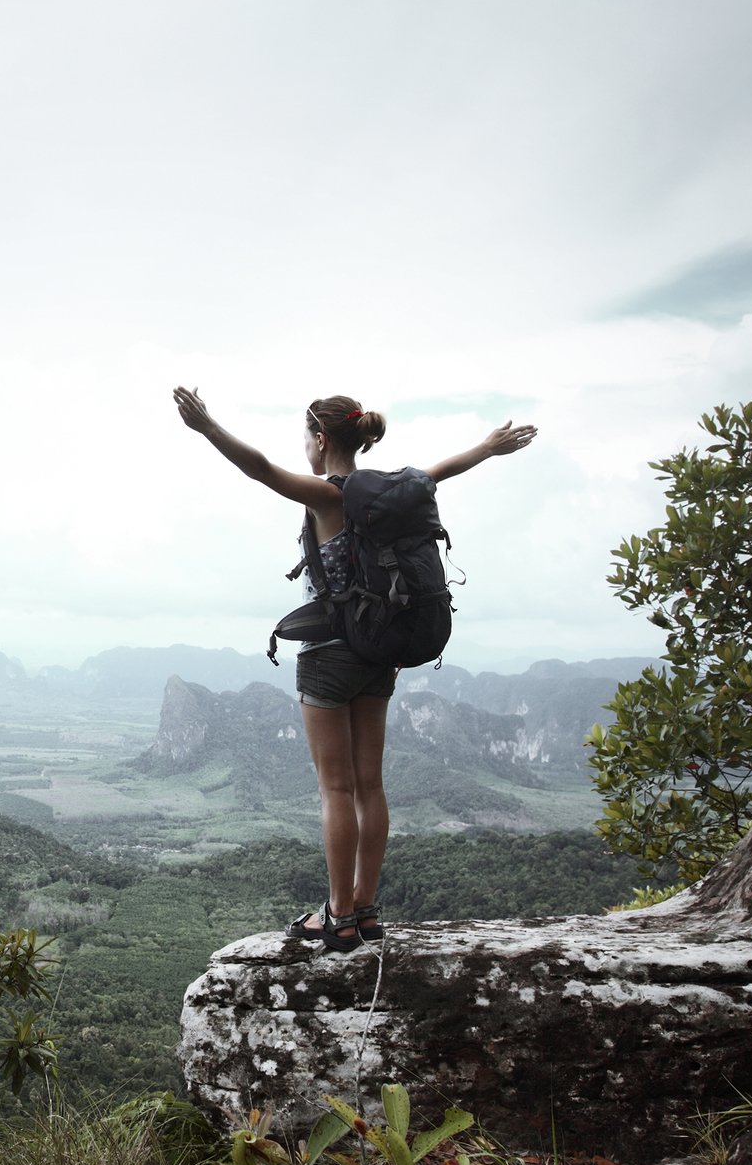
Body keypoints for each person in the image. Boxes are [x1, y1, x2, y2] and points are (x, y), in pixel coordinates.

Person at [170, 386, 537, 952]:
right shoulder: (390, 493)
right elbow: (441, 469)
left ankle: (338, 914)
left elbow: (261, 468)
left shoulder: (327, 495)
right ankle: (364, 906)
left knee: (334, 788)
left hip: (328, 658)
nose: (306, 451)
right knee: (370, 784)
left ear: (321, 440)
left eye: (307, 440)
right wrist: (489, 446)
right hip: (379, 653)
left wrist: (208, 427)